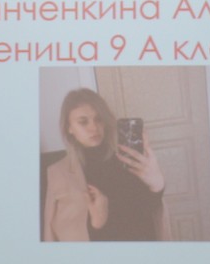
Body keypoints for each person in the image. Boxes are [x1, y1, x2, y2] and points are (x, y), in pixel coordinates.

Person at [42, 87, 167, 242]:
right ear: (69, 128)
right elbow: (54, 232)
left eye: (99, 119)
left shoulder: (126, 158)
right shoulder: (58, 173)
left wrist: (157, 185)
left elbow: (147, 211)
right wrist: (96, 224)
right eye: (83, 122)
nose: (94, 128)